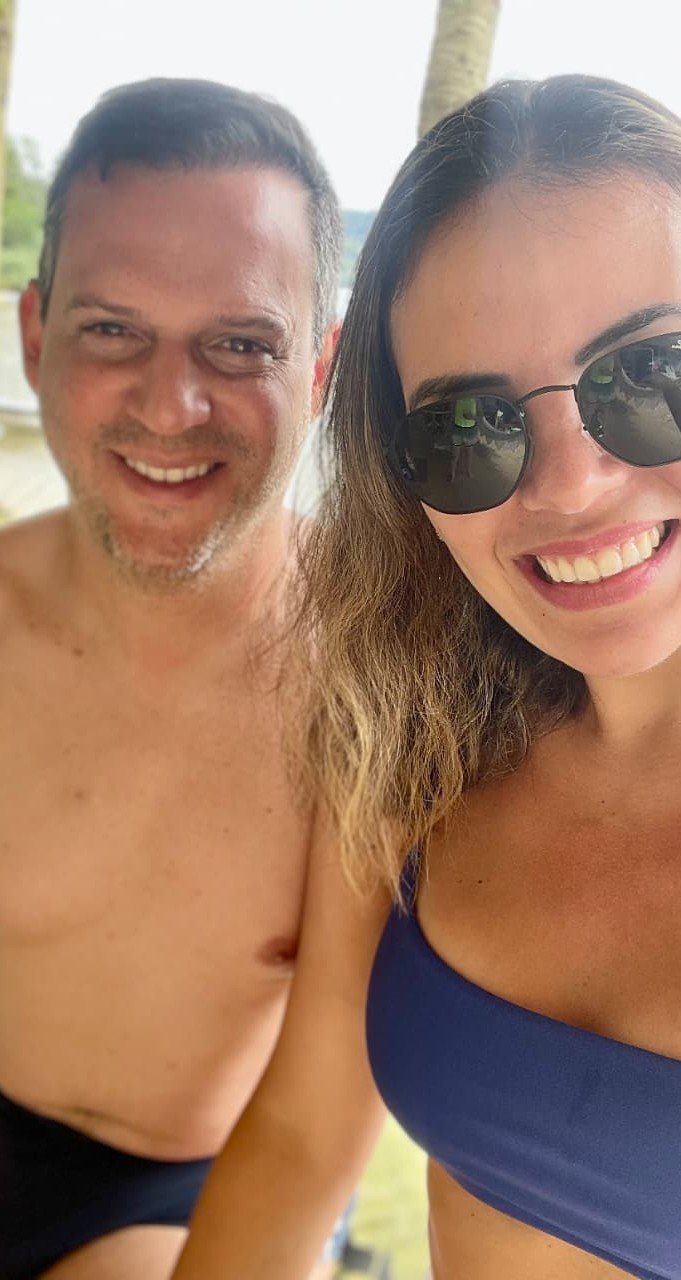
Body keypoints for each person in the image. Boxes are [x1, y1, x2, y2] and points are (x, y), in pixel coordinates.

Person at [284, 74, 681, 1280]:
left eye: (654, 369)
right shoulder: (414, 739)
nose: (571, 485)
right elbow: (300, 1135)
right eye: (467, 427)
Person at [0, 77, 385, 1280]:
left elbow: (316, 1127)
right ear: (35, 336)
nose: (171, 405)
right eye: (113, 330)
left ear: (320, 365)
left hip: (192, 1181)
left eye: (241, 343)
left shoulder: (371, 687)